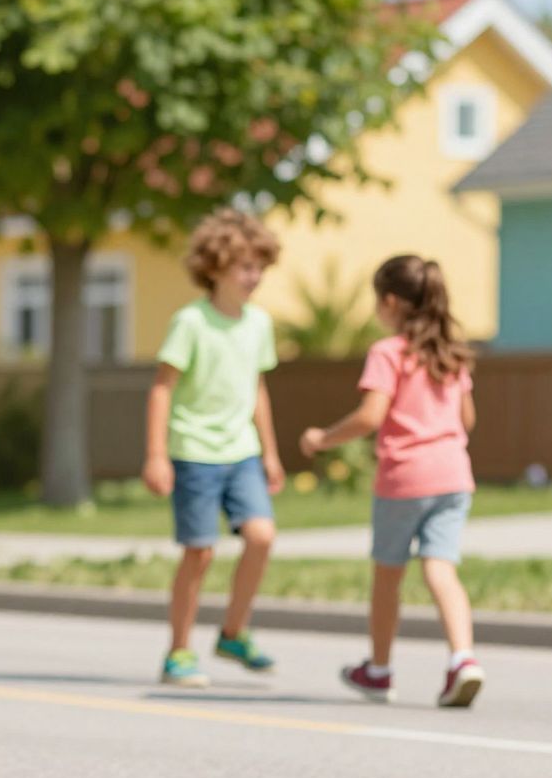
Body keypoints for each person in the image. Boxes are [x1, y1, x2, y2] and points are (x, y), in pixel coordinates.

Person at [301, 254, 482, 707]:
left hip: (405, 478)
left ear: (390, 302)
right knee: (442, 569)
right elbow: (468, 418)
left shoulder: (388, 353)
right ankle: (462, 658)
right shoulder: (451, 354)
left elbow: (370, 416)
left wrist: (323, 438)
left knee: (388, 576)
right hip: (453, 476)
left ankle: (379, 670)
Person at [141, 208, 286, 688]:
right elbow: (162, 389)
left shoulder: (259, 324)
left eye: (260, 266)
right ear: (215, 267)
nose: (255, 276)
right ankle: (179, 652)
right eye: (246, 266)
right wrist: (157, 455)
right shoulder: (191, 322)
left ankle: (233, 632)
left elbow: (257, 389)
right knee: (200, 553)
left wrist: (270, 452)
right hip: (194, 451)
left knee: (261, 536)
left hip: (241, 451)